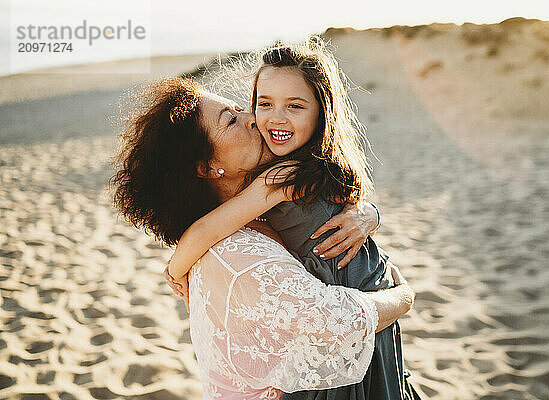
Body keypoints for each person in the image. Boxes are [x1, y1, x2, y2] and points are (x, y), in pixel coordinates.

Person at [110, 77, 415, 399]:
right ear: (206, 167)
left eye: (243, 109)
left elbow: (345, 196)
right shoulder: (240, 243)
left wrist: (368, 213)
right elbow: (336, 323)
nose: (254, 118)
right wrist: (404, 296)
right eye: (231, 120)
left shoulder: (273, 190)